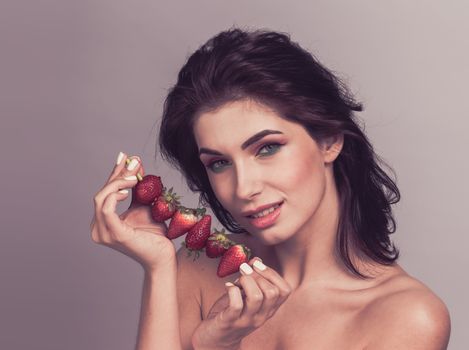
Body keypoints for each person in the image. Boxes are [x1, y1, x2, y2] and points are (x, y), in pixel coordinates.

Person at [90, 28, 451, 349]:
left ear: (329, 139)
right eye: (219, 163)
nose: (243, 188)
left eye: (267, 148)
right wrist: (160, 268)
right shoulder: (196, 267)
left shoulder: (407, 317)